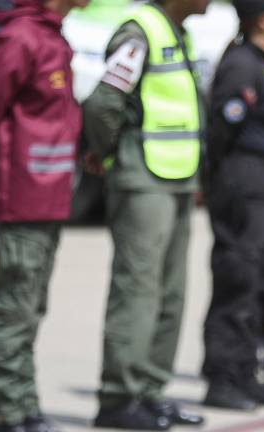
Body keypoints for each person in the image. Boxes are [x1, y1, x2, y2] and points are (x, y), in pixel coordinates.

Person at [82, 0, 209, 428]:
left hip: (176, 176)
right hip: (143, 179)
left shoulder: (177, 31)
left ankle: (151, 391)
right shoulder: (140, 32)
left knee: (170, 293)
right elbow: (103, 102)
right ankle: (119, 398)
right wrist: (112, 154)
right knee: (137, 291)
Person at [0, 0, 88, 430]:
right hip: (21, 198)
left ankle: (25, 406)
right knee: (14, 310)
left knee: (30, 307)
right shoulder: (21, 37)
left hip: (49, 197)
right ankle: (11, 415)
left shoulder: (51, 34)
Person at [201, 0, 264, 410]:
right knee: (237, 278)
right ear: (263, 18)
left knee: (263, 279)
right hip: (246, 185)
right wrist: (221, 182)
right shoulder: (242, 64)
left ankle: (245, 372)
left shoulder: (259, 60)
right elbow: (224, 126)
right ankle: (223, 378)